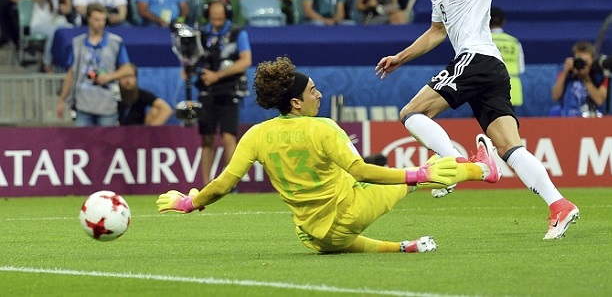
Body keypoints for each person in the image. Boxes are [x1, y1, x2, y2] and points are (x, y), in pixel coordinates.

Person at [375, 0, 591, 240]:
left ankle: (453, 164)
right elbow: (437, 32)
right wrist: (400, 58)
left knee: (411, 113)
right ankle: (559, 205)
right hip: (490, 69)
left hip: (475, 59)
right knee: (509, 147)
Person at [156, 56, 501, 254]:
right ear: (295, 102)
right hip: (350, 213)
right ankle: (483, 170)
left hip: (311, 236)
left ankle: (401, 247)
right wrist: (416, 177)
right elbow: (363, 171)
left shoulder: (256, 136)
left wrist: (191, 202)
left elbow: (222, 183)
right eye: (312, 91)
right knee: (431, 167)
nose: (319, 95)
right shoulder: (322, 127)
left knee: (336, 237)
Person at [193, 0, 252, 185]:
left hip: (229, 89)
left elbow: (246, 61)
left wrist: (217, 76)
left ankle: (229, 184)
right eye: (213, 18)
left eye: (220, 17)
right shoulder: (201, 35)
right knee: (207, 139)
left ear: (226, 14)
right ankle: (206, 184)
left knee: (228, 137)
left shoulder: (237, 33)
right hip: (207, 91)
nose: (216, 21)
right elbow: (194, 61)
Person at [56, 2, 134, 126]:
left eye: (103, 20)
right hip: (83, 104)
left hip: (106, 104)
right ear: (89, 19)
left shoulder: (115, 42)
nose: (101, 23)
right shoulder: (77, 43)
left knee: (106, 143)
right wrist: (62, 100)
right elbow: (71, 73)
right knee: (81, 143)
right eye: (97, 20)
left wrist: (109, 77)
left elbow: (128, 70)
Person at [28, 0, 73, 73]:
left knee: (71, 31)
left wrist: (64, 8)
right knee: (56, 31)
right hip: (40, 22)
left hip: (58, 19)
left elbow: (69, 7)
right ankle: (47, 63)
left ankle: (67, 64)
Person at [550, 41, 607, 118]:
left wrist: (586, 78)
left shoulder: (600, 74)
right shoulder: (566, 73)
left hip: (593, 119)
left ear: (593, 60)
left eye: (586, 61)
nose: (583, 64)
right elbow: (555, 97)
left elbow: (599, 101)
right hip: (569, 119)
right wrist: (565, 72)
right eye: (580, 60)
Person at [490, 7, 524, 108]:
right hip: (512, 90)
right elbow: (521, 69)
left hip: (489, 90)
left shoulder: (484, 41)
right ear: (504, 21)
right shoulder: (514, 42)